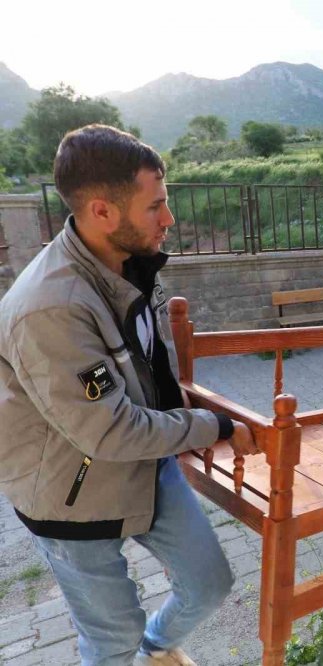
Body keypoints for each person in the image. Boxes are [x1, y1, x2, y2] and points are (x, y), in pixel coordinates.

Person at [0, 125, 259, 665]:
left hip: (143, 462)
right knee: (111, 639)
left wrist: (183, 413)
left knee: (209, 582)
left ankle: (157, 650)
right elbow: (111, 430)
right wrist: (217, 426)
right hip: (69, 496)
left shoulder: (127, 264)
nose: (169, 219)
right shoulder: (51, 308)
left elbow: (149, 366)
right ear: (102, 212)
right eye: (156, 207)